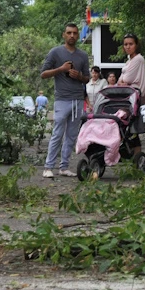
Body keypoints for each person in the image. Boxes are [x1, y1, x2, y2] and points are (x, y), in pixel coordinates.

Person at [39, 23, 90, 178]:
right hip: (62, 99)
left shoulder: (82, 55)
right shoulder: (55, 52)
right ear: (64, 35)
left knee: (71, 136)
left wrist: (79, 77)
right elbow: (43, 74)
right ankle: (48, 167)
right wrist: (61, 70)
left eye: (75, 33)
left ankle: (64, 167)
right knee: (57, 133)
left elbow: (87, 78)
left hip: (78, 100)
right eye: (69, 33)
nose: (72, 36)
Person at [116, 33, 145, 158]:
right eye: (125, 44)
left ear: (136, 45)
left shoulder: (138, 59)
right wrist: (123, 81)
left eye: (131, 44)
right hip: (127, 97)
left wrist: (123, 80)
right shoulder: (129, 61)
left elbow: (126, 78)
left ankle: (137, 157)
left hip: (133, 97)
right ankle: (132, 156)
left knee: (132, 127)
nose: (128, 47)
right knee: (127, 127)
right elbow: (119, 81)